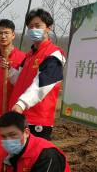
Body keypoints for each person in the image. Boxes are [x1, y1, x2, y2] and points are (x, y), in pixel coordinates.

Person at [8, 8, 66, 140]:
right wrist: (9, 70)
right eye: (30, 27)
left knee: (34, 157)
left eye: (38, 26)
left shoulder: (54, 55)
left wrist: (21, 104)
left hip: (36, 119)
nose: (34, 29)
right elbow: (18, 81)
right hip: (19, 115)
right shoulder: (29, 55)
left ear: (48, 28)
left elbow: (42, 84)